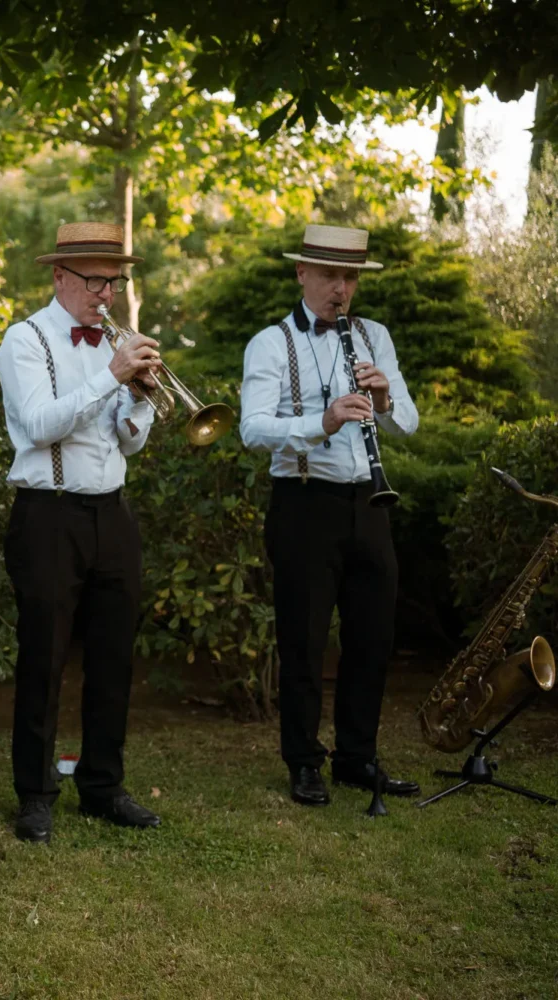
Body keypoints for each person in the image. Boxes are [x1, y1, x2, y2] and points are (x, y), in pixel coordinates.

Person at [239, 223, 421, 808]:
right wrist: (321, 422)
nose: (341, 290)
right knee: (304, 638)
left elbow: (409, 423)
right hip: (303, 503)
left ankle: (357, 757)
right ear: (302, 274)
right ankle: (303, 762)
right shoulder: (270, 343)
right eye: (329, 276)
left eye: (350, 278)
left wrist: (385, 398)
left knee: (372, 637)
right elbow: (251, 429)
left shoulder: (375, 336)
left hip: (369, 501)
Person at [0, 221, 164, 843]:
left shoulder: (110, 346)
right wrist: (112, 377)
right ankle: (35, 792)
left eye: (114, 282)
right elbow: (40, 425)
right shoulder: (25, 339)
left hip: (112, 513)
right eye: (97, 280)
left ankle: (102, 784)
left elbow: (127, 439)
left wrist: (141, 399)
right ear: (60, 277)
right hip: (48, 514)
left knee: (115, 655)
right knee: (43, 657)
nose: (107, 294)